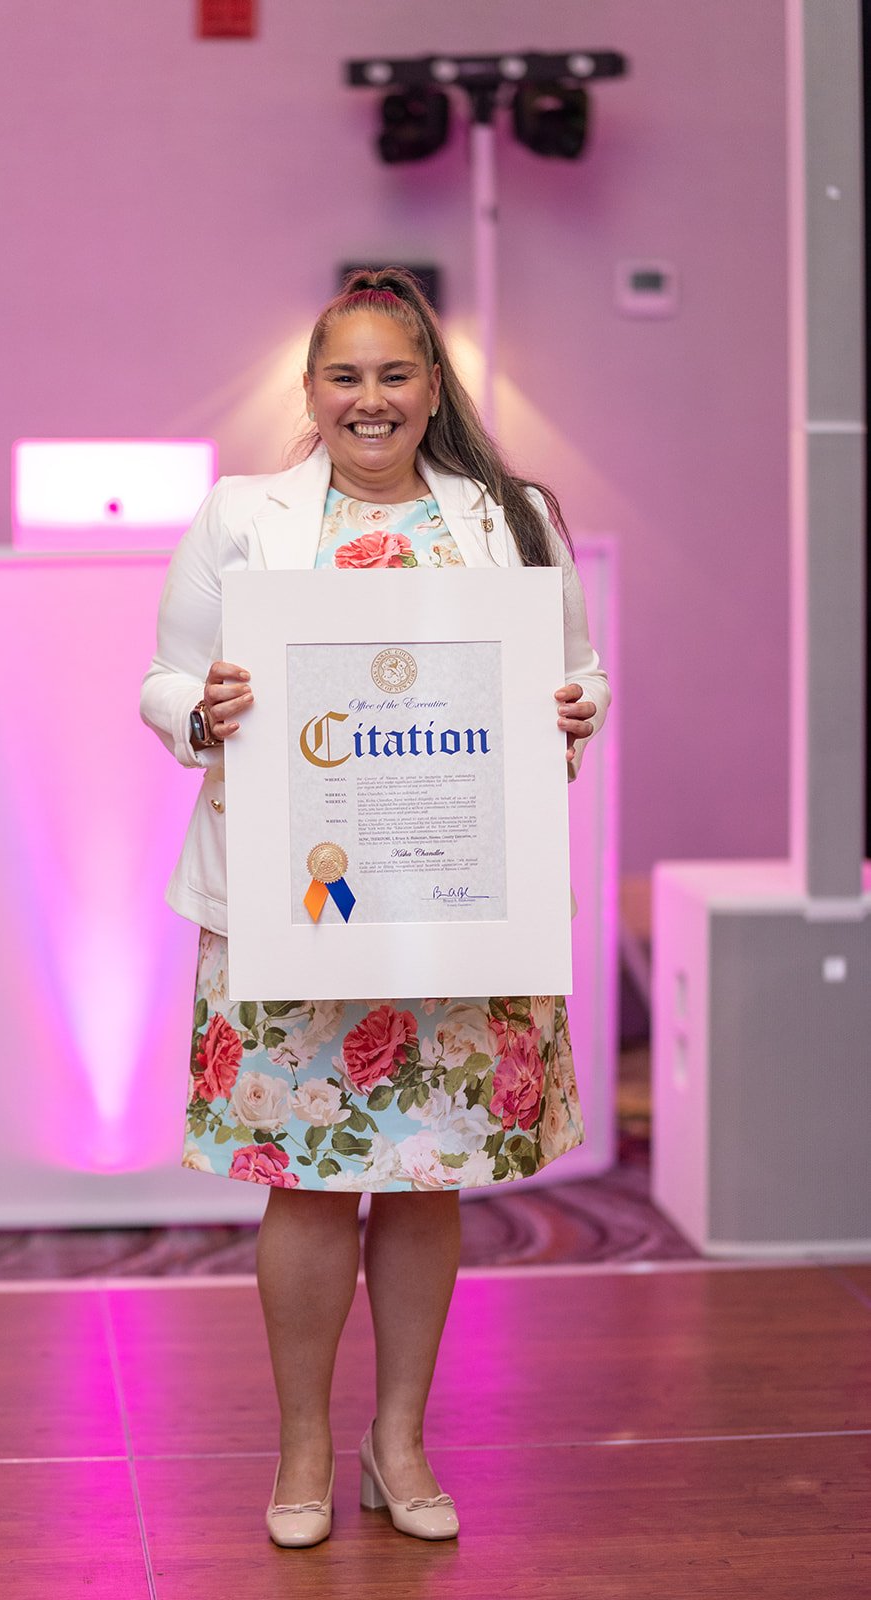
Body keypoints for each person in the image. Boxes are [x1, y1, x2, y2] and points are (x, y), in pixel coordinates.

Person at [140, 268, 610, 1548]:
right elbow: (164, 678)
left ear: (431, 389)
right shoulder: (243, 516)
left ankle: (395, 1440)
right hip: (295, 904)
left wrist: (572, 708)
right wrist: (202, 707)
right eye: (344, 376)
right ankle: (301, 1443)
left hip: (460, 905)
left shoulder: (510, 516)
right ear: (309, 391)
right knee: (304, 1180)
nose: (369, 398)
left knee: (424, 1180)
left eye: (394, 374)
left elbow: (575, 671)